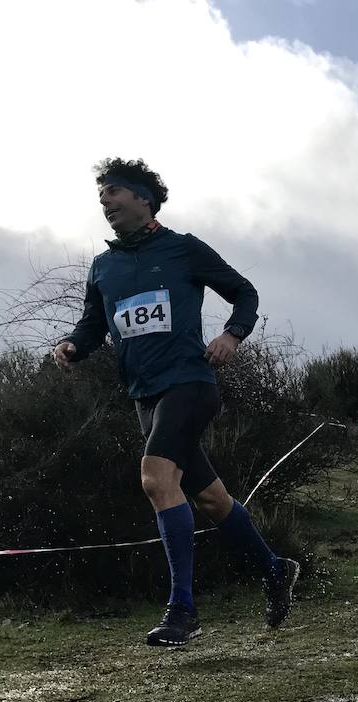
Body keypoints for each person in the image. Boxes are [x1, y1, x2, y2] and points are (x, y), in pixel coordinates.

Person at [52, 157, 300, 647]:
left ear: (144, 198)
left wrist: (232, 334)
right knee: (211, 499)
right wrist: (73, 346)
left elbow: (244, 292)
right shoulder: (103, 267)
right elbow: (94, 324)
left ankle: (182, 610)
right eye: (100, 197)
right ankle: (275, 569)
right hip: (144, 396)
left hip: (189, 383)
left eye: (113, 192)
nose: (104, 202)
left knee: (155, 478)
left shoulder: (183, 248)